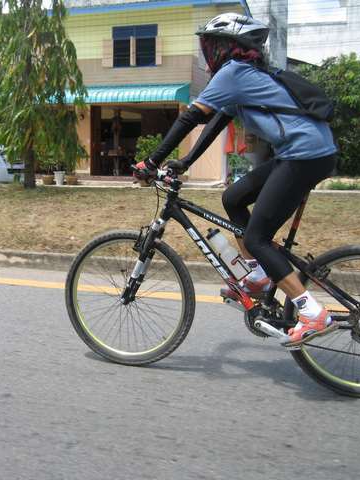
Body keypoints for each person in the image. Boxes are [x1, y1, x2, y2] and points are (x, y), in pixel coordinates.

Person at [133, 13, 339, 347]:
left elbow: (191, 116)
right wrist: (184, 161)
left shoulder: (234, 73)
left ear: (228, 47)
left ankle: (311, 312)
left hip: (305, 154)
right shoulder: (243, 76)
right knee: (233, 198)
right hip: (301, 153)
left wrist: (152, 161)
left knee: (257, 237)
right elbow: (215, 120)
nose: (208, 53)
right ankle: (258, 274)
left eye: (211, 46)